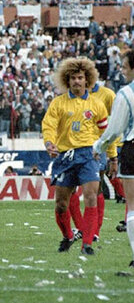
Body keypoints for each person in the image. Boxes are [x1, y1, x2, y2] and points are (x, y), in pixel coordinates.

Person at [42, 57, 117, 255]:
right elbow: (48, 125)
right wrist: (49, 143)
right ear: (68, 80)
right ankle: (68, 236)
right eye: (73, 78)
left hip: (89, 155)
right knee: (61, 205)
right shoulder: (58, 103)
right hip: (65, 156)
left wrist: (113, 157)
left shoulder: (97, 104)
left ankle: (87, 244)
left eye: (80, 78)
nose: (77, 81)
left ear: (87, 80)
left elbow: (105, 133)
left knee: (91, 196)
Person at [93, 49, 134, 269]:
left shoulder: (126, 93)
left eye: (124, 66)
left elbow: (115, 128)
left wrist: (99, 146)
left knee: (132, 205)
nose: (122, 70)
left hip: (132, 148)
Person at [68, 81, 117, 242]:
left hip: (97, 148)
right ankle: (82, 228)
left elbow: (116, 120)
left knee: (96, 190)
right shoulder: (69, 96)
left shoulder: (107, 95)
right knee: (69, 190)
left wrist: (112, 153)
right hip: (72, 148)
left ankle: (95, 231)